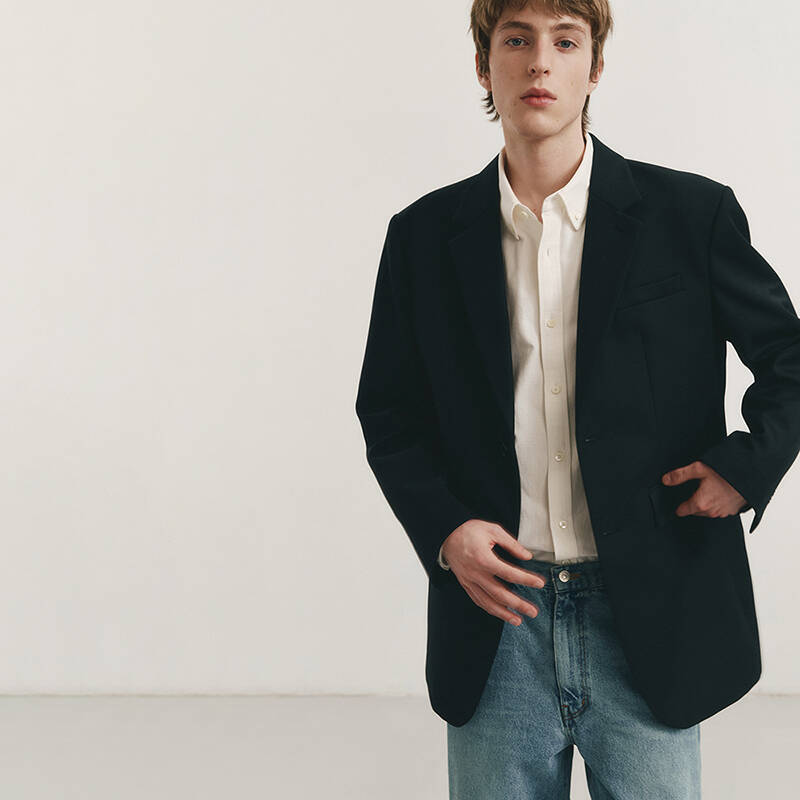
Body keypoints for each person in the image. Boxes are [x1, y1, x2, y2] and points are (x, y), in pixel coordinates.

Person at [355, 1, 800, 797]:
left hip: (651, 613)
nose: (539, 62)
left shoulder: (689, 215)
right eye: (516, 40)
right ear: (483, 65)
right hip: (498, 619)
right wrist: (446, 527)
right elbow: (388, 412)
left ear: (594, 68)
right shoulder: (423, 235)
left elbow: (790, 358)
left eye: (565, 41)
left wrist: (747, 466)